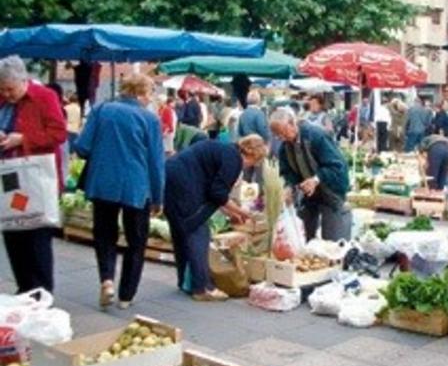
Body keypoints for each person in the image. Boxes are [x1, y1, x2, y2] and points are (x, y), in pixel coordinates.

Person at [75, 74, 164, 309]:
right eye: (149, 94)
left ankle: (107, 280)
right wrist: (157, 196)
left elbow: (82, 146)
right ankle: (126, 296)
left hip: (102, 183)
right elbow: (156, 162)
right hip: (137, 186)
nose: (150, 99)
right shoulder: (150, 119)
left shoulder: (101, 109)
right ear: (141, 93)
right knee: (136, 241)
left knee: (104, 235)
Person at [0, 56, 66, 294]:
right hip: (9, 174)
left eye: (10, 89)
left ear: (23, 81)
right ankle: (24, 286)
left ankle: (40, 290)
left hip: (36, 178)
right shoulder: (3, 100)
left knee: (36, 235)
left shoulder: (44, 97)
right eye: (2, 89)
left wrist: (24, 139)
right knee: (13, 230)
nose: (7, 94)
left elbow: (58, 134)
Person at [164, 137, 256, 301]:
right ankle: (202, 288)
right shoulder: (233, 159)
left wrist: (229, 211)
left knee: (181, 230)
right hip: (185, 185)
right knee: (198, 230)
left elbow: (212, 190)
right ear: (251, 155)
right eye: (254, 162)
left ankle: (185, 283)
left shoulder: (222, 148)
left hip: (170, 176)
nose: (250, 166)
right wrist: (241, 212)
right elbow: (217, 193)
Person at [271, 107, 352, 241]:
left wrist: (315, 179)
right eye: (277, 135)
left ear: (292, 123)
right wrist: (289, 187)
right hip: (308, 195)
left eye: (283, 132)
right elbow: (287, 172)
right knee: (303, 238)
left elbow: (337, 166)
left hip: (331, 190)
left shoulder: (316, 136)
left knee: (333, 241)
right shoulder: (284, 147)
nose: (281, 138)